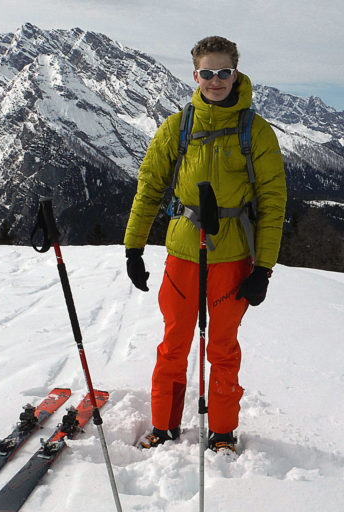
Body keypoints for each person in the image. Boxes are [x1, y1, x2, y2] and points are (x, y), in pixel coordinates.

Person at [123, 35, 286, 453]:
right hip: (182, 252)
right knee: (174, 342)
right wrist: (134, 248)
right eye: (208, 73)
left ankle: (223, 431)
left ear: (236, 72)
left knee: (223, 347)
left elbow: (272, 202)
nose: (216, 80)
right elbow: (149, 188)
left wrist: (263, 268)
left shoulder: (257, 131)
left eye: (224, 72)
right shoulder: (177, 128)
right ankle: (164, 425)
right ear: (195, 75)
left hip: (233, 258)